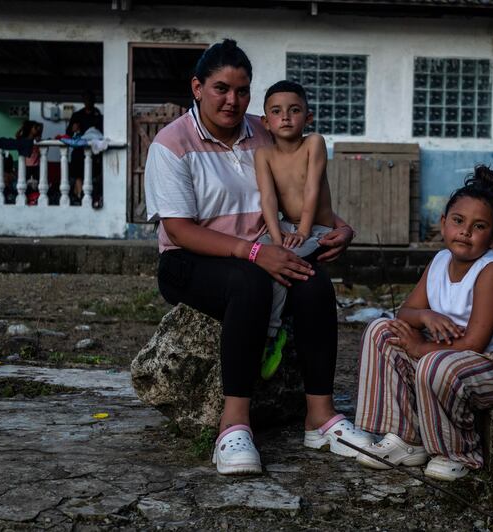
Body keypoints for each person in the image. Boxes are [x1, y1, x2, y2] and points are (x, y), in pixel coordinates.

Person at [144, 39, 373, 476]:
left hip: (263, 250)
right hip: (190, 260)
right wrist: (252, 252)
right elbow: (178, 228)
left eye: (243, 90)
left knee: (313, 282)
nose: (233, 100)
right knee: (248, 285)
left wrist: (339, 226)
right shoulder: (171, 144)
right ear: (197, 87)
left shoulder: (264, 130)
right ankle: (233, 427)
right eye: (220, 88)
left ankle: (320, 418)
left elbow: (296, 191)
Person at [354, 165, 493, 481]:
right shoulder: (439, 261)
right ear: (443, 223)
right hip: (450, 355)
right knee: (381, 330)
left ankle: (458, 451)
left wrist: (421, 346)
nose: (465, 231)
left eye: (479, 227)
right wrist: (425, 316)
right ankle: (404, 438)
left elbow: (475, 344)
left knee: (434, 364)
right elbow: (405, 313)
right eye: (458, 221)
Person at [254, 80, 336, 380]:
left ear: (308, 117)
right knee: (260, 256)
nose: (285, 117)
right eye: (276, 111)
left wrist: (302, 229)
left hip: (315, 228)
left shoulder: (313, 143)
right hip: (287, 228)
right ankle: (255, 327)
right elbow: (268, 198)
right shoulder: (263, 154)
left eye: (294, 110)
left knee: (284, 264)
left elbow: (312, 187)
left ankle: (272, 336)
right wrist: (276, 239)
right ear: (266, 122)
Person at [66, 89, 103, 206]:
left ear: (93, 101)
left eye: (90, 99)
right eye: (86, 99)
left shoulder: (97, 115)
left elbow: (102, 133)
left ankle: (91, 197)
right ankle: (79, 195)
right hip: (79, 151)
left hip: (93, 151)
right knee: (78, 174)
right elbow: (68, 134)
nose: (88, 101)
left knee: (93, 174)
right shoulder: (77, 115)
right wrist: (73, 129)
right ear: (83, 100)